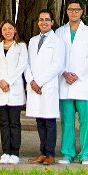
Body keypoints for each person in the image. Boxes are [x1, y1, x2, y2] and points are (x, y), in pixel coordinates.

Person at [58, 0, 88, 165]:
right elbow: (57, 57)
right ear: (67, 11)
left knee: (84, 121)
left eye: (76, 9)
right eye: (70, 9)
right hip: (65, 82)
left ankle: (85, 154)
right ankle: (67, 153)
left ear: (82, 12)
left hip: (82, 83)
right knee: (67, 121)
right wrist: (64, 73)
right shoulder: (60, 32)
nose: (73, 12)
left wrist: (77, 74)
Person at [25, 10, 62, 165]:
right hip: (34, 87)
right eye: (41, 20)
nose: (44, 22)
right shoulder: (33, 41)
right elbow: (27, 64)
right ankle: (42, 152)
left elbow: (57, 65)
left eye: (47, 20)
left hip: (48, 86)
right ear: (37, 22)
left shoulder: (57, 41)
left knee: (49, 121)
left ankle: (50, 154)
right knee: (39, 121)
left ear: (52, 22)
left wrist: (39, 82)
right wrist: (31, 81)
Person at [0, 20, 28, 165]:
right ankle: (5, 151)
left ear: (15, 30)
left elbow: (21, 66)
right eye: (4, 29)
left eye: (10, 28)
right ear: (1, 31)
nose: (7, 31)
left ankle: (15, 153)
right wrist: (0, 80)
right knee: (4, 122)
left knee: (14, 123)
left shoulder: (21, 46)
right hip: (0, 88)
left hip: (14, 88)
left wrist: (8, 81)